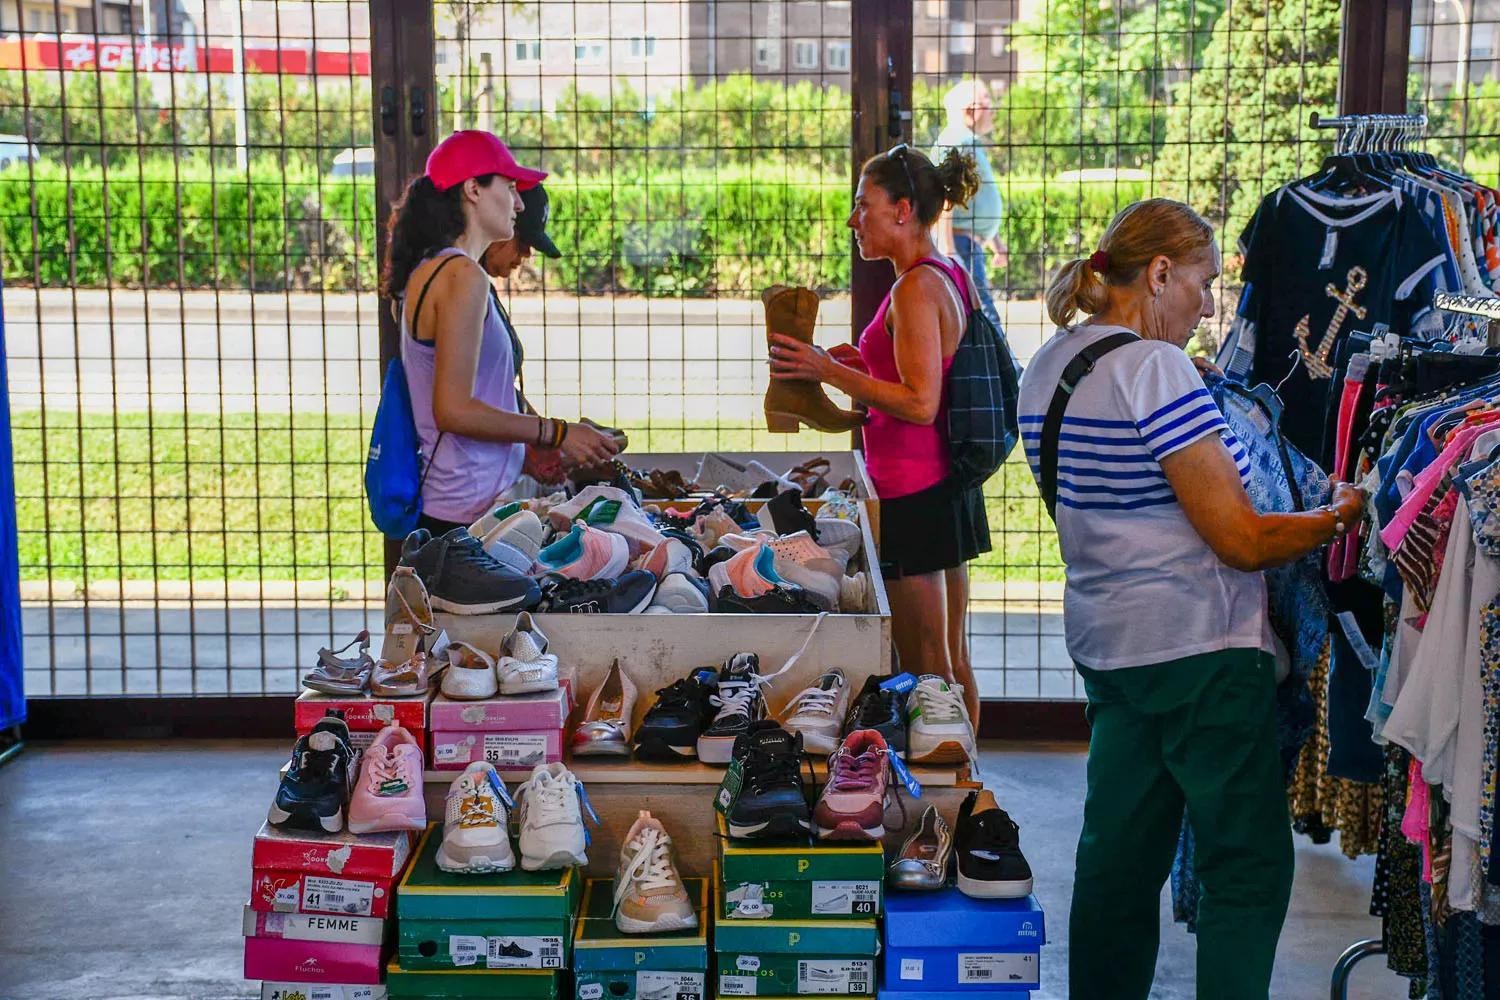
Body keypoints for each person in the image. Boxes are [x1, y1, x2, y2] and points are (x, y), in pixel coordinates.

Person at [1016, 199, 1366, 1000]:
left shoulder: (1048, 366)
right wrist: (1335, 515)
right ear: (1162, 273)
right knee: (1248, 864)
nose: (1208, 306)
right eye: (1203, 284)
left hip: (1110, 648)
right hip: (1202, 650)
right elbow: (1240, 540)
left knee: (1118, 860)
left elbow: (1101, 507)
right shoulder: (1156, 370)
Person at [768, 144, 989, 724]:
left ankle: (956, 797)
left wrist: (828, 373)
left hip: (916, 493)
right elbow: (918, 374)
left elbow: (920, 402)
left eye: (862, 205)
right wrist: (856, 367)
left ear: (903, 210)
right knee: (953, 662)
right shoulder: (943, 274)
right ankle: (970, 786)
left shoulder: (917, 287)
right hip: (944, 489)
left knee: (929, 668)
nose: (852, 219)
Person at [380, 131, 618, 535]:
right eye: (510, 187)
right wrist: (557, 432)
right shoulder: (460, 274)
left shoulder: (442, 269)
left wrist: (538, 446)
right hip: (465, 517)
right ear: (473, 189)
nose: (520, 202)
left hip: (467, 507)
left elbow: (474, 396)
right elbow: (453, 410)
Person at [932, 80, 1008, 335]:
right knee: (983, 312)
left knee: (980, 310)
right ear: (970, 109)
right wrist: (948, 247)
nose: (993, 111)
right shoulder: (956, 140)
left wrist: (996, 241)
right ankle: (1008, 372)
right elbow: (945, 192)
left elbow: (973, 196)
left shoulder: (967, 140)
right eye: (988, 104)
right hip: (960, 244)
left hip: (968, 242)